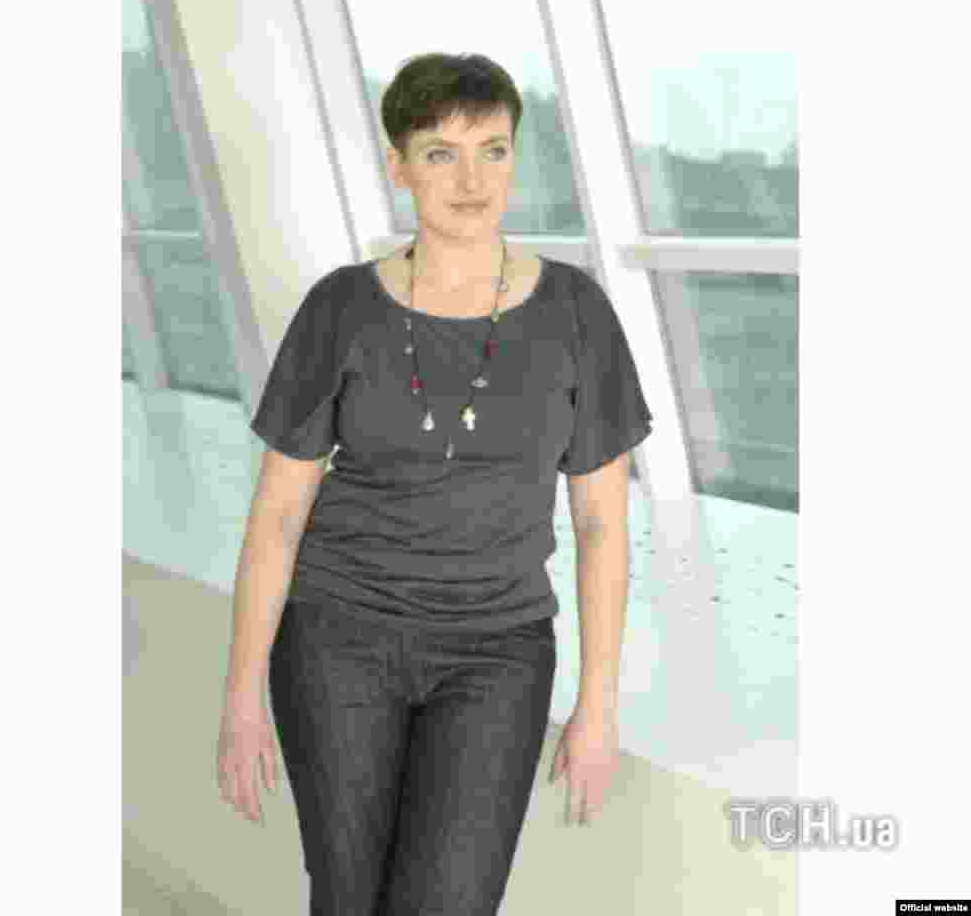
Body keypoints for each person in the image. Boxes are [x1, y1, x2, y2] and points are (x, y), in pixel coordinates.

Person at [216, 52, 654, 914]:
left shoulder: (577, 312)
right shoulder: (341, 308)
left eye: (493, 151)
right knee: (347, 898)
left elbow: (602, 526)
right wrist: (240, 698)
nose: (471, 180)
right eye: (440, 153)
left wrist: (597, 706)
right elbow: (278, 517)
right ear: (399, 166)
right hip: (337, 638)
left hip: (498, 653)